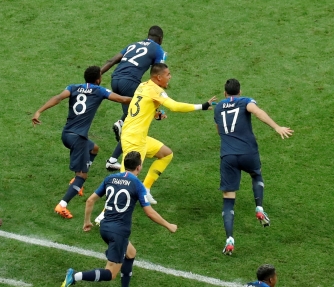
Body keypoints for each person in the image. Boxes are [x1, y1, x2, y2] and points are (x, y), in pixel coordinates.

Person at [61, 151, 177, 287]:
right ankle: (74, 276)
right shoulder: (137, 184)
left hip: (105, 227)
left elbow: (90, 201)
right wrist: (168, 225)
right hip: (118, 232)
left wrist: (87, 222)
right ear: (139, 167)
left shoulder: (110, 178)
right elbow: (149, 212)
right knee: (110, 273)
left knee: (131, 253)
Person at [31, 65, 131, 219]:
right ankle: (62, 204)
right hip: (78, 139)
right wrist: (142, 99)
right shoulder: (99, 91)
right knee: (82, 176)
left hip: (67, 135)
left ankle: (76, 180)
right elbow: (122, 99)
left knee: (94, 148)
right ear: (98, 79)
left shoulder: (73, 87)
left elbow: (58, 98)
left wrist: (39, 111)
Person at [113, 63, 214, 207]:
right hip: (134, 139)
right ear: (159, 77)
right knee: (124, 181)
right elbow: (175, 106)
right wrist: (202, 106)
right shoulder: (155, 90)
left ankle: (146, 189)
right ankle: (104, 215)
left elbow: (140, 106)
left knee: (166, 154)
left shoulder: (143, 85)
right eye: (168, 75)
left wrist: (155, 114)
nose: (170, 77)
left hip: (136, 135)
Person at [212, 79, 293, 255]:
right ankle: (259, 208)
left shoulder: (218, 107)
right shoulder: (245, 101)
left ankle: (229, 240)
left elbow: (219, 131)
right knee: (256, 175)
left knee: (228, 198)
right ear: (239, 91)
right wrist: (276, 127)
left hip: (228, 156)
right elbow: (257, 112)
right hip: (248, 152)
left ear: (225, 93)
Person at [99, 26, 168, 172]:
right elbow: (157, 73)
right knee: (132, 123)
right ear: (160, 40)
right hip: (129, 83)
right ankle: (121, 123)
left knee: (132, 118)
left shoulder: (133, 45)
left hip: (115, 80)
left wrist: (95, 77)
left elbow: (112, 60)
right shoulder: (158, 50)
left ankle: (112, 160)